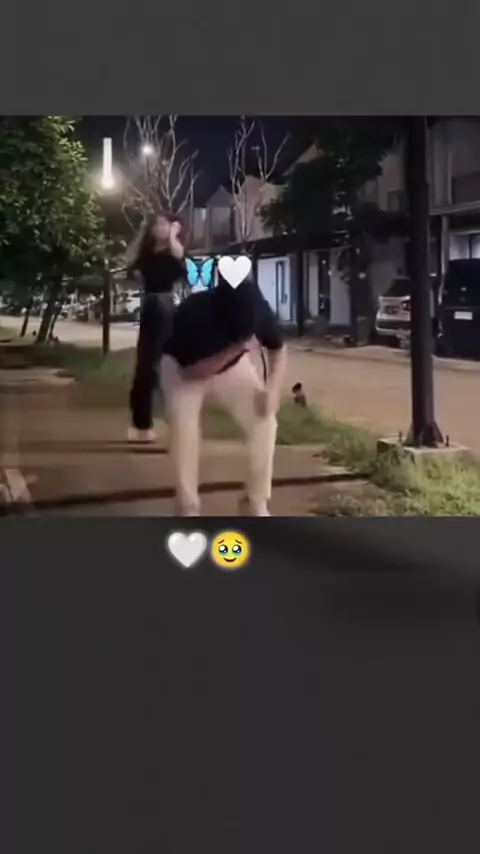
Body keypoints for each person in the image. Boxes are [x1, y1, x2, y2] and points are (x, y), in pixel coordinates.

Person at [159, 272, 287, 516]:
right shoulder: (195, 313)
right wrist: (237, 348)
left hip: (232, 367)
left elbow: (278, 350)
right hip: (182, 369)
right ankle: (187, 505)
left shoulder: (257, 307)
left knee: (265, 420)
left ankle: (255, 501)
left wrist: (272, 390)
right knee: (185, 431)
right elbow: (193, 372)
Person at [127, 213, 186, 442]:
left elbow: (179, 260)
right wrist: (141, 233)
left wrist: (172, 236)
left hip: (167, 306)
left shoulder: (174, 251)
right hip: (152, 307)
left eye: (164, 224)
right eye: (156, 225)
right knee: (147, 365)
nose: (160, 228)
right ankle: (141, 423)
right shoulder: (146, 254)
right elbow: (131, 265)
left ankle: (175, 423)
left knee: (170, 366)